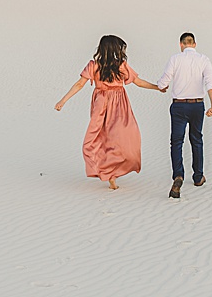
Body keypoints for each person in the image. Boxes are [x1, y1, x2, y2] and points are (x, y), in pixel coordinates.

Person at [55, 35, 163, 189]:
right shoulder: (114, 65)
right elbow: (138, 82)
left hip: (103, 102)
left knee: (106, 137)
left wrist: (63, 100)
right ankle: (109, 172)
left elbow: (80, 84)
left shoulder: (101, 65)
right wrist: (63, 100)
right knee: (114, 136)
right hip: (116, 103)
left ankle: (111, 172)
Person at [157, 32, 212, 198]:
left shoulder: (175, 58)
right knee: (196, 139)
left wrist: (161, 86)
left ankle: (178, 175)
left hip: (179, 106)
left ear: (181, 44)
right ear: (194, 44)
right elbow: (210, 82)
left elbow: (164, 81)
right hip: (197, 105)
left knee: (176, 141)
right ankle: (198, 177)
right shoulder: (204, 59)